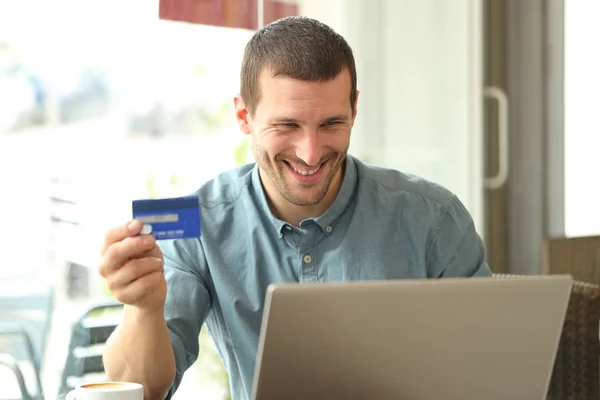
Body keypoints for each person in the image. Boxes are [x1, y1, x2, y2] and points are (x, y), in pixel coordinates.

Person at [99, 16, 492, 400]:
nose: (310, 153)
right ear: (244, 117)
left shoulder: (434, 220)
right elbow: (143, 391)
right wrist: (143, 309)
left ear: (355, 110)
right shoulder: (198, 223)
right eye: (287, 125)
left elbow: (488, 366)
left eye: (331, 124)